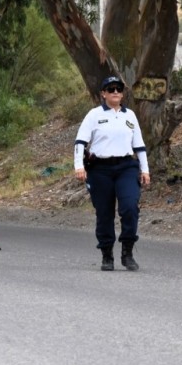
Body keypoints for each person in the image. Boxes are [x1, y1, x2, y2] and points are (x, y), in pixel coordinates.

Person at [74, 76, 150, 271]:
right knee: (104, 212)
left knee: (130, 207)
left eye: (118, 89)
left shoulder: (129, 115)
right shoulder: (94, 115)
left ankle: (127, 251)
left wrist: (145, 170)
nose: (115, 92)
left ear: (122, 94)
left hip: (126, 167)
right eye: (111, 89)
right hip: (100, 169)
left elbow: (139, 145)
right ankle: (107, 254)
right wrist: (79, 166)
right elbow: (80, 142)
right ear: (103, 93)